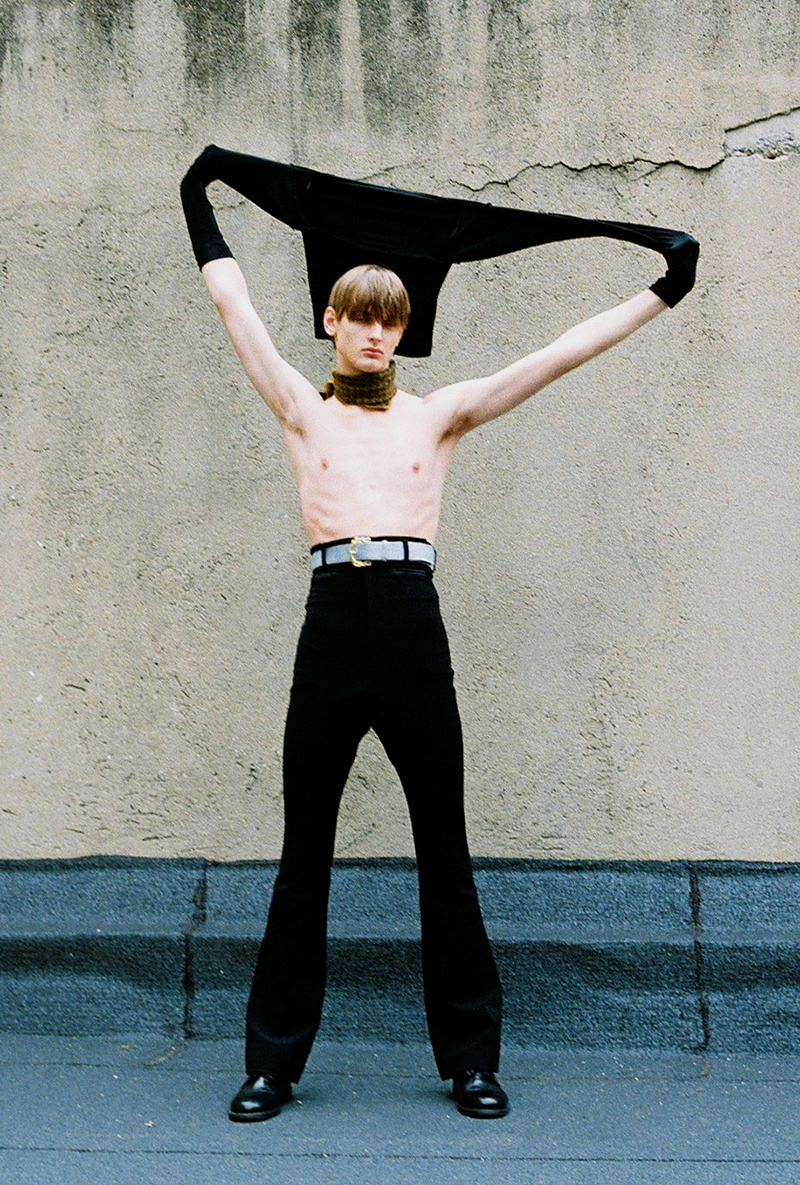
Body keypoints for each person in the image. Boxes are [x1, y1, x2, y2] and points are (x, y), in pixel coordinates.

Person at [180, 150, 698, 1123]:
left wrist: (663, 289)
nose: (374, 331)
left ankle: (470, 1060)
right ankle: (271, 1065)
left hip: (413, 623)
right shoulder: (300, 408)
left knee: (444, 850)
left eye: (389, 318)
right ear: (331, 321)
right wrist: (198, 193)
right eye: (358, 315)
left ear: (403, 329)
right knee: (303, 852)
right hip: (333, 623)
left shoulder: (439, 415)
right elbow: (230, 302)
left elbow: (557, 355)